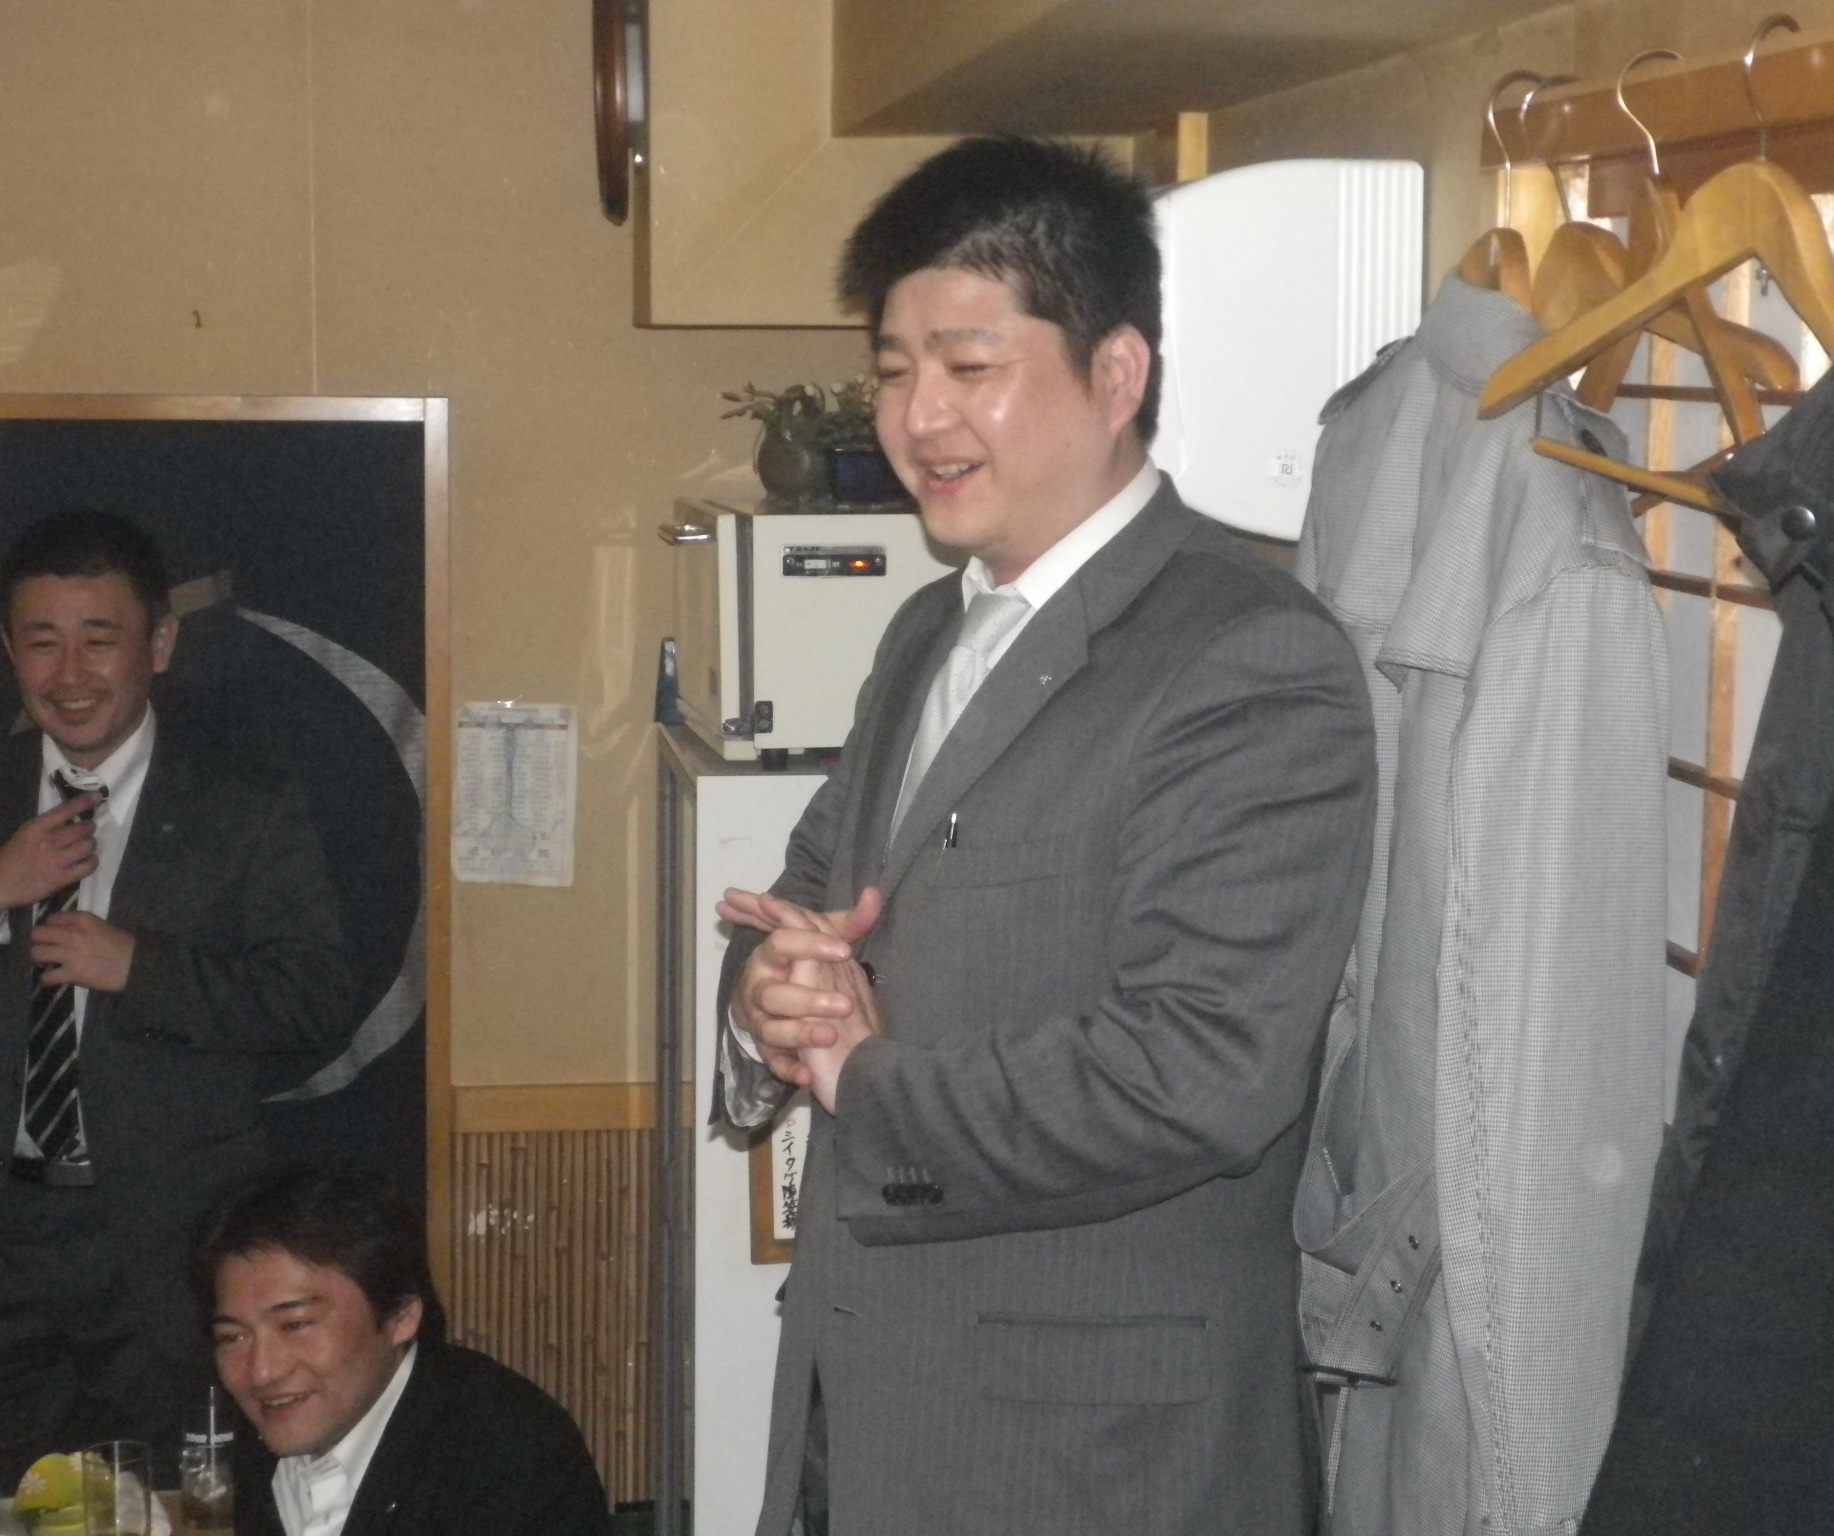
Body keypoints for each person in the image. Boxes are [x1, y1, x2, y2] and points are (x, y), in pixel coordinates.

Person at [714, 136, 1376, 1536]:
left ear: (1117, 374)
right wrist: (767, 992)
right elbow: (813, 891)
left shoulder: (1243, 655)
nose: (918, 417)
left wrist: (864, 1077)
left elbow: (1203, 1069)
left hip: (1092, 1461)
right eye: (893, 370)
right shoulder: (928, 626)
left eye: (970, 365)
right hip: (863, 1402)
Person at [0, 509, 357, 1481]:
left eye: (100, 638)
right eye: (42, 641)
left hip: (169, 1239)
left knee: (178, 1503)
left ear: (158, 644)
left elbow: (314, 998)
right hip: (10, 1241)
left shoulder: (244, 799)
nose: (70, 673)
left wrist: (141, 970)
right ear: (10, 651)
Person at [195, 1162, 611, 1536]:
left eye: (296, 1325)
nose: (262, 1371)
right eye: (233, 1337)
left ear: (400, 1316)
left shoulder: (505, 1455)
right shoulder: (266, 1440)